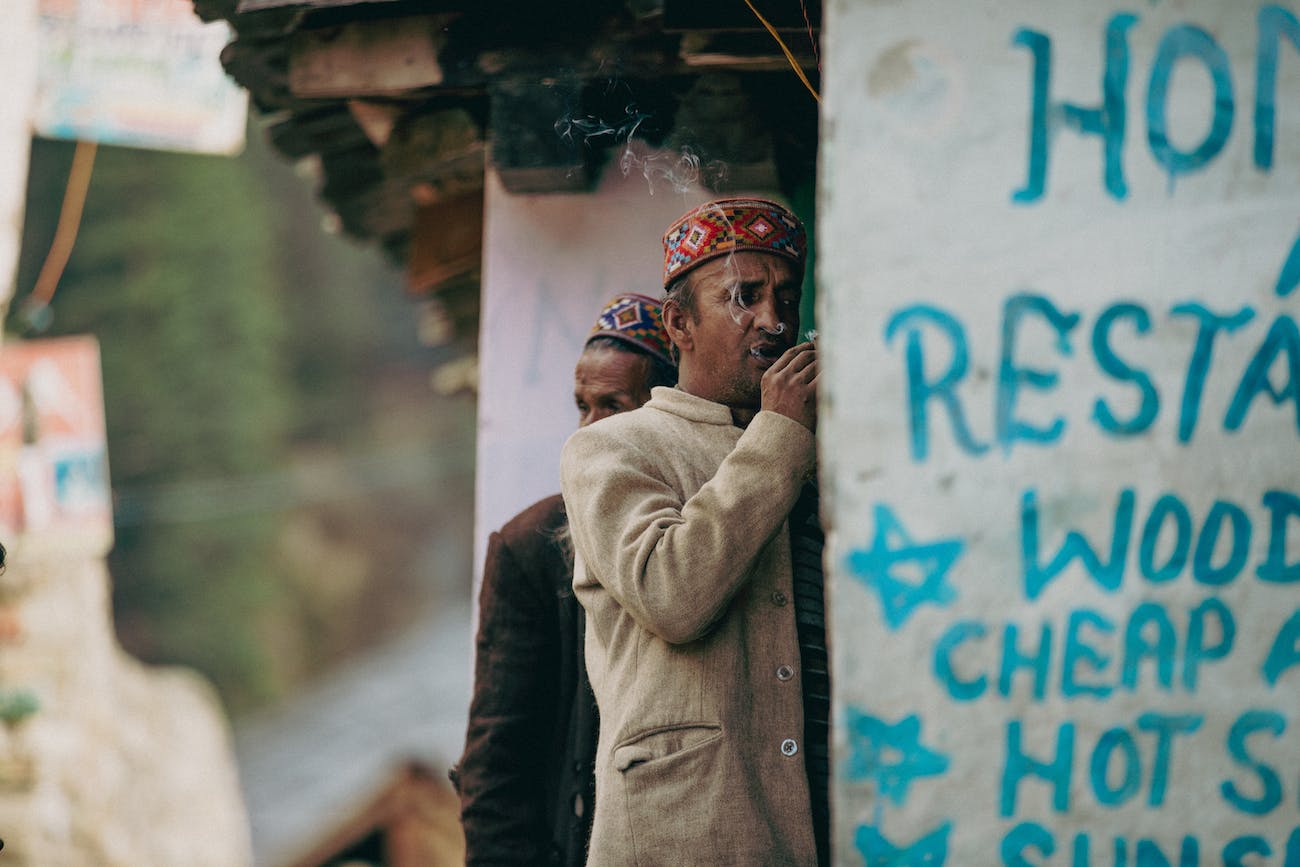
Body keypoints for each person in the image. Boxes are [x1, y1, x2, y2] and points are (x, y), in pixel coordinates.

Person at [560, 198, 828, 866]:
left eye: (785, 298)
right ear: (679, 322)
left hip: (829, 816)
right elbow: (673, 594)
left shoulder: (807, 441)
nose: (772, 320)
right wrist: (780, 435)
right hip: (690, 834)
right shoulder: (612, 449)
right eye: (744, 296)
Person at [456, 294, 677, 867]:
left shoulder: (702, 534)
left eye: (612, 406)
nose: (587, 431)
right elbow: (496, 767)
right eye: (581, 406)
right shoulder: (531, 546)